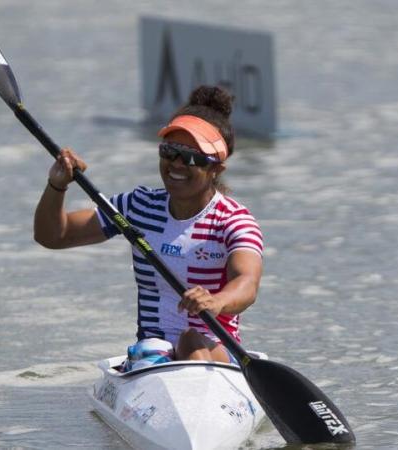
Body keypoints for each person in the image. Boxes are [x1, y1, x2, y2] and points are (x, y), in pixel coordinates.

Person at [33, 85, 263, 367]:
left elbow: (247, 284)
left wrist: (217, 301)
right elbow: (55, 236)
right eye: (169, 151)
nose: (176, 164)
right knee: (158, 350)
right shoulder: (138, 206)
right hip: (153, 351)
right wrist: (57, 185)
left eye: (191, 157)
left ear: (216, 168)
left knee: (191, 340)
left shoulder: (233, 220)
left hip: (216, 348)